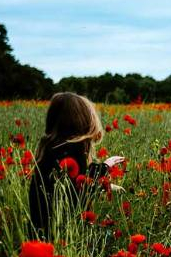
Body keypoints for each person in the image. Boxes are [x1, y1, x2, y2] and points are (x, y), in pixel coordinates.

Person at [28, 92, 124, 239]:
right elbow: (78, 191)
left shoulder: (50, 149)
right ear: (82, 122)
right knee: (109, 235)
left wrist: (106, 184)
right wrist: (104, 167)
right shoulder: (74, 150)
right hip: (61, 233)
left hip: (38, 232)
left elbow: (74, 182)